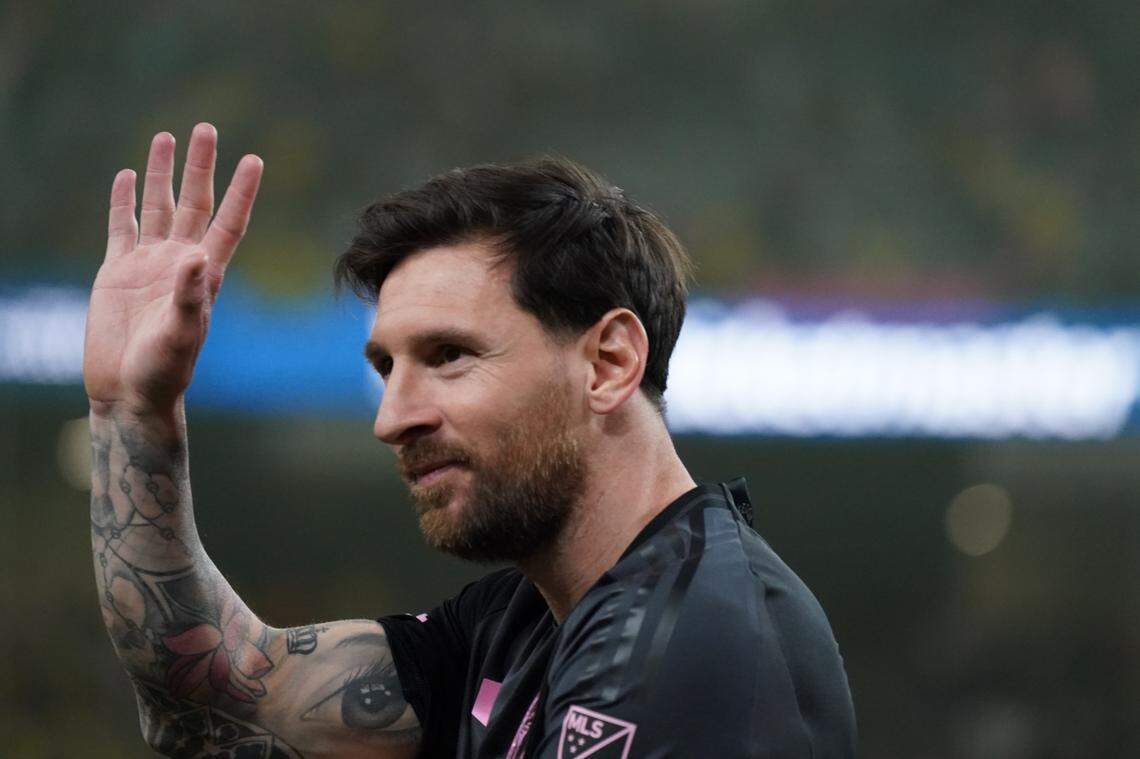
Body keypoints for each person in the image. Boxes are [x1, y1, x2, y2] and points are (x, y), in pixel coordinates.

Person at [86, 123, 857, 758]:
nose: (392, 418)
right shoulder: (525, 617)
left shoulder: (693, 640)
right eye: (386, 367)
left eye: (449, 355)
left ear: (608, 363)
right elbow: (219, 697)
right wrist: (132, 413)